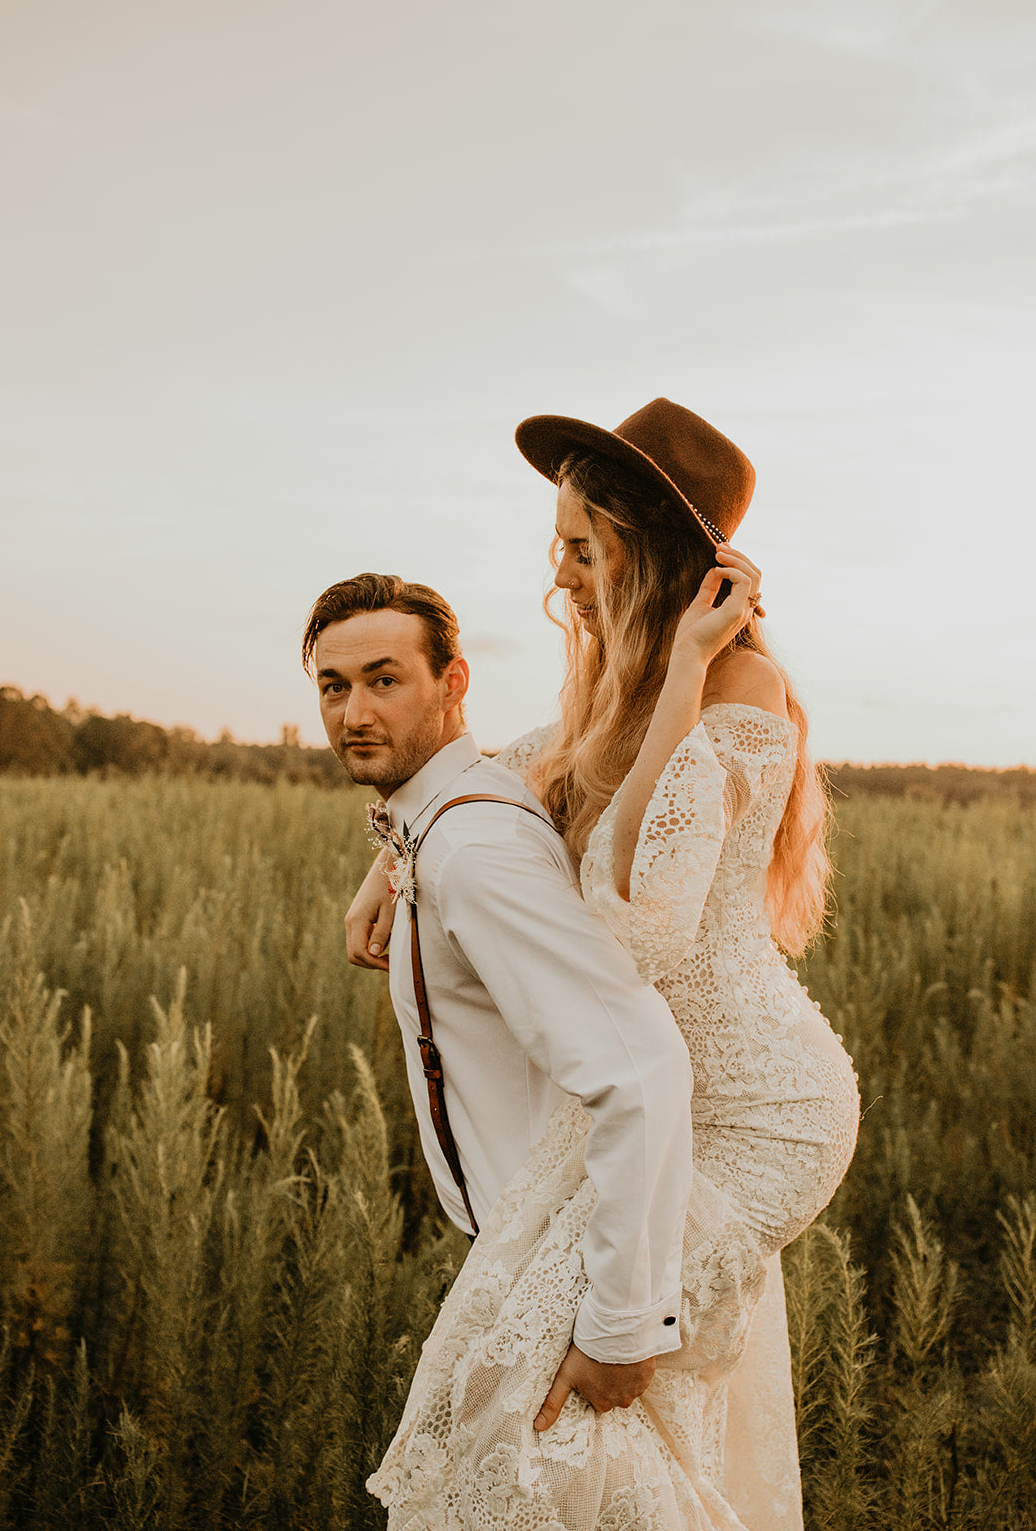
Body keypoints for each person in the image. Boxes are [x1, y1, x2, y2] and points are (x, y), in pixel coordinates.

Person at [350, 398, 861, 1531]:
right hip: (651, 1097)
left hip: (757, 1113)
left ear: (647, 549)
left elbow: (638, 923)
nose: (562, 576)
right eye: (557, 549)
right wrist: (393, 859)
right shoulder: (613, 690)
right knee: (539, 1384)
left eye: (583, 548)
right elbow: (497, 769)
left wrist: (682, 669)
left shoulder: (737, 693)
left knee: (556, 1387)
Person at [303, 573, 696, 1431]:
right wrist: (386, 868)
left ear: (452, 684)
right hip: (524, 1257)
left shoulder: (471, 851)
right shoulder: (441, 826)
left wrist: (621, 1327)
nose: (354, 715)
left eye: (383, 679)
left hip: (564, 1277)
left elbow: (640, 1068)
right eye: (334, 687)